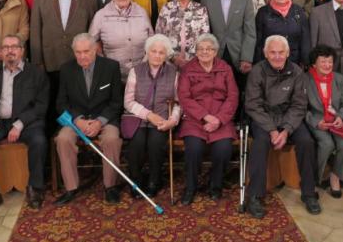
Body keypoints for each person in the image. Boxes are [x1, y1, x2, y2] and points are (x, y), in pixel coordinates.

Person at [0, 35, 50, 216]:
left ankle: (35, 187)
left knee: (39, 141)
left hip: (27, 122)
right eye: (5, 47)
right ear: (0, 51)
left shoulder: (35, 73)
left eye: (14, 47)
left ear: (22, 50)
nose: (10, 51)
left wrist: (19, 125)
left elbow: (41, 105)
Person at [244, 36, 320, 217]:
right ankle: (254, 196)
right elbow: (253, 105)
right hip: (264, 118)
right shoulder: (257, 71)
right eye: (273, 52)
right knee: (260, 144)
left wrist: (285, 130)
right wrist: (271, 130)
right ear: (265, 53)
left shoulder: (297, 72)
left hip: (289, 118)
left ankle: (309, 193)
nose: (277, 56)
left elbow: (299, 105)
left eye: (281, 52)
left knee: (307, 142)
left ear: (287, 53)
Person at [30, 0, 99, 136]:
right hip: (50, 62)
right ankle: (53, 146)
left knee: (76, 104)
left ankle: (78, 136)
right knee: (52, 106)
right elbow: (35, 31)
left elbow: (93, 31)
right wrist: (38, 62)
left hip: (78, 62)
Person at [54, 33, 124, 205]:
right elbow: (61, 103)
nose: (82, 56)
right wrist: (77, 120)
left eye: (86, 51)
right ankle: (71, 188)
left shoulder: (111, 67)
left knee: (112, 140)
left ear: (95, 50)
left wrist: (100, 121)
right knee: (62, 139)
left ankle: (110, 187)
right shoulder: (66, 69)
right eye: (78, 52)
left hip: (104, 118)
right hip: (76, 120)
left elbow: (117, 102)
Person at [177, 34, 239, 205]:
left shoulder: (225, 68)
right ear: (195, 52)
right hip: (195, 119)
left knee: (223, 149)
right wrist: (205, 116)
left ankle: (215, 185)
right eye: (200, 49)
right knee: (194, 149)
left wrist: (218, 119)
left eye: (209, 49)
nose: (205, 52)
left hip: (221, 118)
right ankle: (191, 187)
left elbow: (233, 96)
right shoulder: (188, 69)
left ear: (215, 51)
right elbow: (184, 96)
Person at [123, 34, 182, 198]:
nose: (157, 55)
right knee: (137, 144)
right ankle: (136, 179)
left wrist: (172, 120)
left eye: (161, 53)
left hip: (163, 119)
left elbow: (178, 102)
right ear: (147, 52)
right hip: (138, 118)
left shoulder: (173, 72)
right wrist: (148, 115)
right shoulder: (136, 71)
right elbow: (128, 101)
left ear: (166, 55)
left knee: (156, 143)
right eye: (153, 51)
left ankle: (154, 180)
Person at [304, 45, 343, 200]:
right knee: (327, 144)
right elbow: (300, 108)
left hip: (336, 122)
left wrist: (341, 117)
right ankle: (314, 180)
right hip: (317, 121)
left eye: (330, 62)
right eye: (323, 62)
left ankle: (335, 176)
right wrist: (316, 122)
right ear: (314, 64)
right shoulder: (305, 79)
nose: (327, 66)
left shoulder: (339, 78)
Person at [201, 0, 257, 90]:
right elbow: (205, 29)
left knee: (238, 93)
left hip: (238, 55)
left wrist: (246, 58)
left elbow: (250, 31)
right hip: (215, 54)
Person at [90, 0, 154, 79]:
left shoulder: (142, 12)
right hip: (112, 73)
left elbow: (152, 39)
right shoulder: (101, 15)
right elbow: (91, 42)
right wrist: (104, 63)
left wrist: (146, 61)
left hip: (142, 71)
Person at [155, 0, 210, 70]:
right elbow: (159, 36)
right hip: (169, 63)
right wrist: (173, 57)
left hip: (195, 63)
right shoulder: (166, 8)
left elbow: (204, 37)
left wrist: (192, 59)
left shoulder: (201, 9)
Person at [254, 0, 310, 67]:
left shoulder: (298, 11)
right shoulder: (263, 12)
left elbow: (305, 38)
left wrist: (306, 60)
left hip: (294, 61)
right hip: (269, 61)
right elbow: (258, 41)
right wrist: (258, 63)